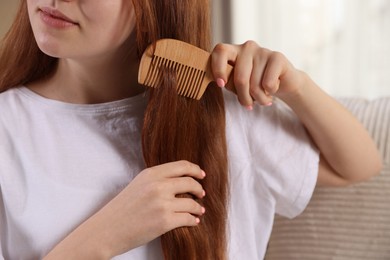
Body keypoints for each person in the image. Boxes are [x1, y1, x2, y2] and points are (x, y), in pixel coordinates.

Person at [0, 0, 382, 259]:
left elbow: (357, 165)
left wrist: (295, 87)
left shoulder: (223, 116)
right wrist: (104, 236)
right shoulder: (8, 127)